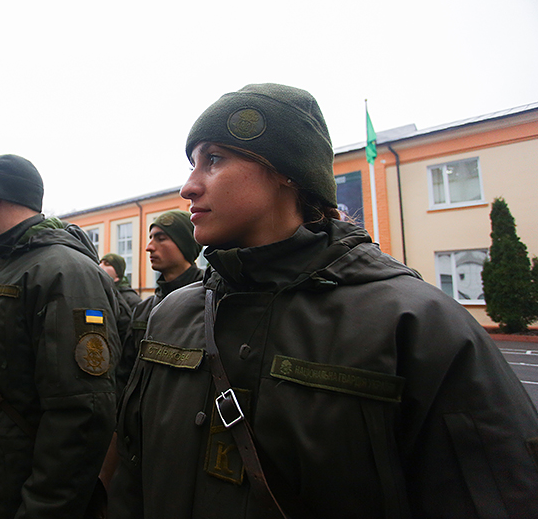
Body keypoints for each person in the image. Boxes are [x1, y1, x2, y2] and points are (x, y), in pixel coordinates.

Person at [109, 83, 538, 518]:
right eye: (192, 164)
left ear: (287, 170)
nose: (189, 186)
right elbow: (131, 477)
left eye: (214, 159)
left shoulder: (416, 324)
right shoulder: (172, 314)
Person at [0, 155, 120, 518]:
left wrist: (43, 509)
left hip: (8, 495)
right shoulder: (8, 268)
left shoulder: (64, 271)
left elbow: (82, 413)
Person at [116, 210, 203, 394]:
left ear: (185, 245)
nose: (149, 247)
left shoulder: (210, 301)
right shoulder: (143, 309)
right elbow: (125, 375)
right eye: (150, 238)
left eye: (161, 238)